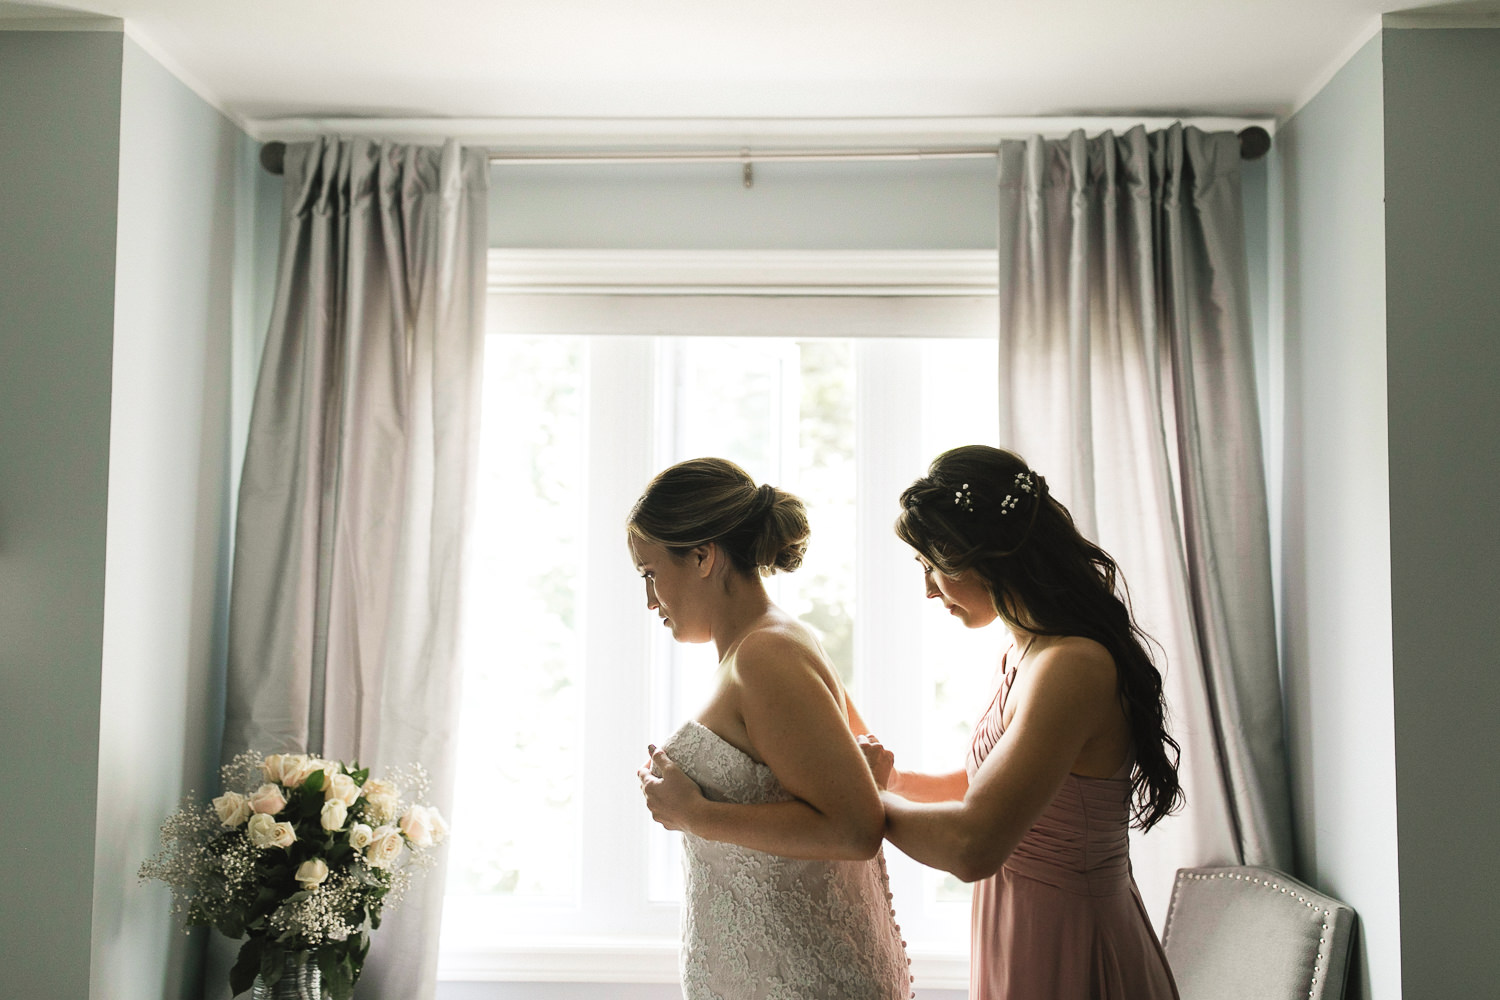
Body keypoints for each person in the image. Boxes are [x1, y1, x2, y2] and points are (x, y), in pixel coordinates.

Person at [859, 445, 1181, 1000]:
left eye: (938, 567)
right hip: (1021, 929)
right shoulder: (1023, 650)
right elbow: (992, 789)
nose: (929, 589)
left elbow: (972, 845)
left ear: (992, 557)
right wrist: (892, 782)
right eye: (923, 568)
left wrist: (855, 801)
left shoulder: (1071, 666)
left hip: (1071, 940)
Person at [630, 457, 912, 1000]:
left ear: (702, 555)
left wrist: (696, 814)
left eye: (650, 574)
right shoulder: (763, 646)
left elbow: (854, 828)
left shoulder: (767, 654)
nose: (649, 601)